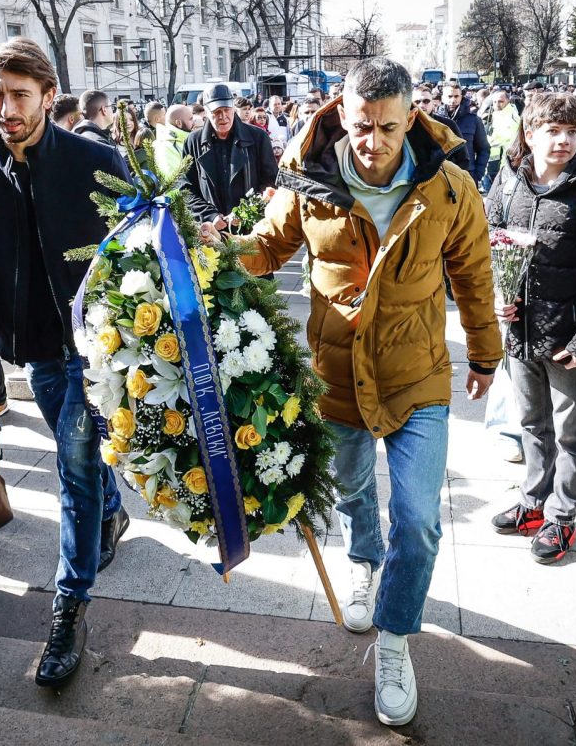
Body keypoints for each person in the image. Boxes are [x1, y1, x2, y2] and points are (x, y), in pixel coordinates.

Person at [232, 57, 501, 727]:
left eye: (387, 126)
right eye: (360, 125)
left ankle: (395, 637)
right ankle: (363, 558)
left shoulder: (449, 185)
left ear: (411, 118)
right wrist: (207, 249)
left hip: (418, 374)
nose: (372, 140)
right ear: (340, 114)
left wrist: (486, 352)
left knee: (419, 519)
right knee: (352, 487)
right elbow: (267, 249)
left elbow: (473, 272)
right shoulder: (308, 176)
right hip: (337, 375)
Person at [0, 38, 130, 689]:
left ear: (48, 95)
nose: (6, 108)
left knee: (74, 466)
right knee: (83, 459)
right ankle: (112, 509)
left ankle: (69, 608)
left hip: (97, 349)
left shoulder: (97, 161)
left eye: (19, 94)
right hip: (32, 348)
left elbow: (141, 247)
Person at [487, 93, 576, 565]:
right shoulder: (508, 183)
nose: (564, 140)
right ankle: (534, 501)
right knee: (531, 424)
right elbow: (487, 245)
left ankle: (562, 515)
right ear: (530, 134)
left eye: (573, 131)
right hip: (520, 334)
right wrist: (496, 296)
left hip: (569, 339)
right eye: (553, 130)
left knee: (572, 433)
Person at [181, 83, 277, 234]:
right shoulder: (193, 142)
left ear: (233, 109)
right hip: (211, 231)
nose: (223, 116)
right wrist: (210, 215)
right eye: (217, 112)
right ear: (206, 112)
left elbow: (271, 181)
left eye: (226, 110)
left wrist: (245, 212)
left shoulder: (258, 137)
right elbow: (185, 188)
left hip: (251, 230)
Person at [434, 81, 489, 184]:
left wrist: (477, 174)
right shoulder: (435, 120)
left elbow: (483, 149)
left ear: (461, 97)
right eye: (449, 96)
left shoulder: (473, 120)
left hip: (467, 175)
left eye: (456, 96)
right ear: (443, 98)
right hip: (442, 176)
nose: (453, 100)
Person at [484, 90, 520, 192]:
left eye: (500, 101)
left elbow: (509, 136)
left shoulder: (511, 115)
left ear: (508, 101)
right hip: (494, 158)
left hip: (505, 160)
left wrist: (487, 140)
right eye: (494, 102)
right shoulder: (496, 114)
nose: (497, 104)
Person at [153, 103, 192, 176]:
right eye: (191, 119)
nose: (194, 122)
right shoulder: (166, 146)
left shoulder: (184, 139)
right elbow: (174, 178)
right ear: (179, 123)